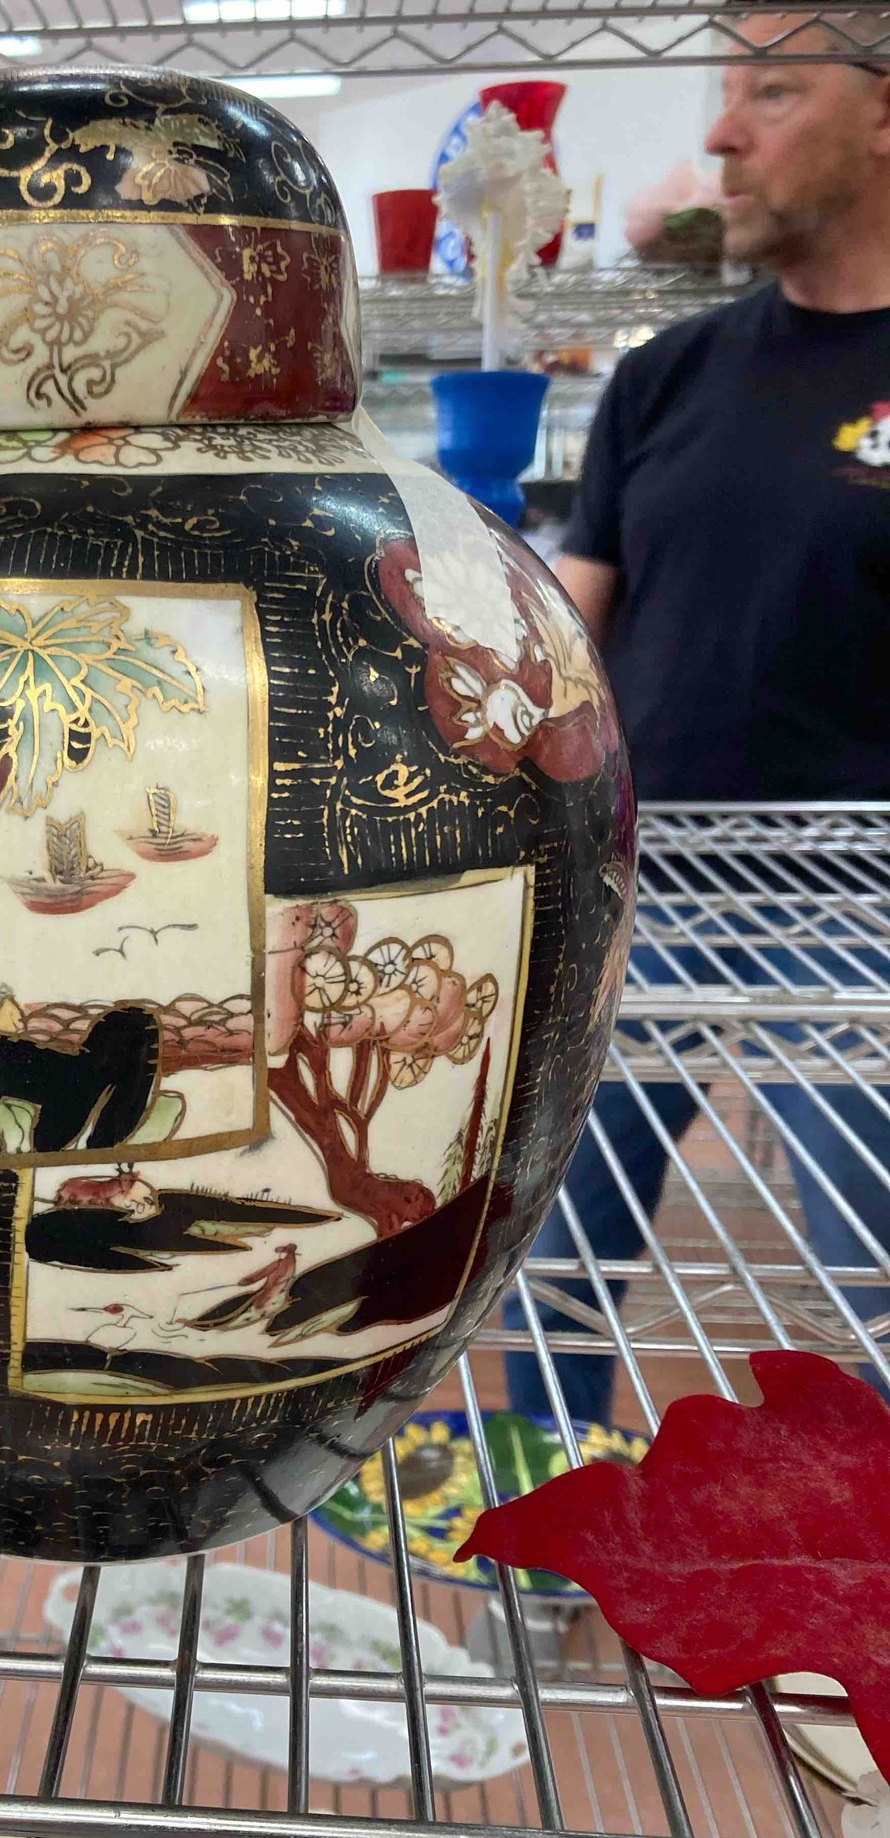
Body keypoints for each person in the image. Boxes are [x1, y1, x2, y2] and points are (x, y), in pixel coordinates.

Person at [505, 22, 890, 1421]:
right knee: (556, 1251)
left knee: (874, 1277)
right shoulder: (672, 372)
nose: (724, 136)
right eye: (725, 92)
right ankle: (543, 1511)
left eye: (773, 90)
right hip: (649, 885)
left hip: (863, 919)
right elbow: (566, 640)